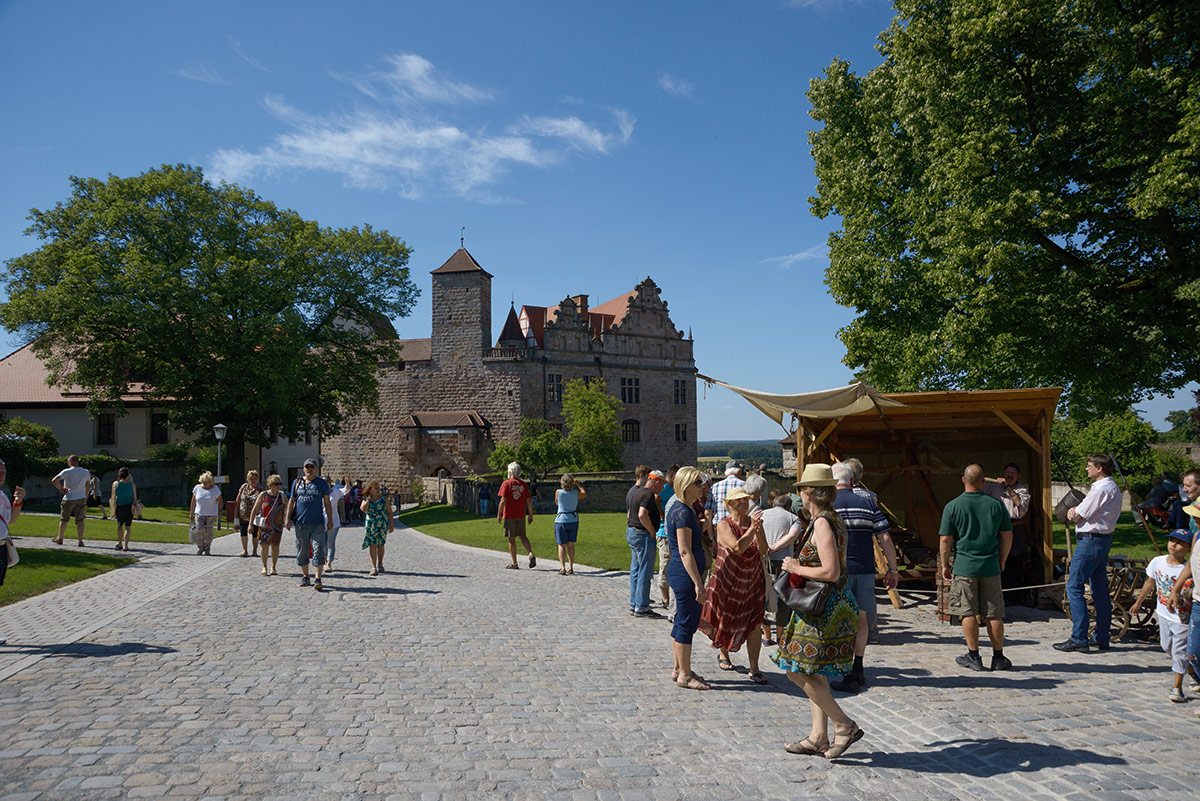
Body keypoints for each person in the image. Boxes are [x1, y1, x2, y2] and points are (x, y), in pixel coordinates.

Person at [771, 463, 863, 759]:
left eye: (800, 490)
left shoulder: (823, 522)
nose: (798, 495)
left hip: (826, 610)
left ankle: (844, 724)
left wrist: (797, 567)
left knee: (796, 671)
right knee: (811, 673)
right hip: (819, 609)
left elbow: (832, 571)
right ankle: (818, 736)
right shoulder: (825, 519)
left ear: (808, 493)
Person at [831, 461, 899, 691]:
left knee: (839, 620)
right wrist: (892, 569)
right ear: (852, 481)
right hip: (865, 570)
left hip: (838, 571)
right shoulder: (868, 504)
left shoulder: (829, 506)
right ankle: (858, 666)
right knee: (861, 619)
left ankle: (844, 668)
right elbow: (886, 538)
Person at [939, 464, 1013, 671]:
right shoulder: (996, 505)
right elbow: (1007, 536)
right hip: (990, 565)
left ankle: (974, 656)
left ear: (964, 480)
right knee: (994, 613)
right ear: (983, 482)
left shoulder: (952, 506)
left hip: (965, 566)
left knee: (967, 611)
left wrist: (945, 564)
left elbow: (945, 539)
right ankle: (998, 656)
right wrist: (1002, 559)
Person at [699, 486, 770, 684]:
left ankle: (754, 667)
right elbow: (737, 547)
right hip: (728, 580)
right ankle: (724, 655)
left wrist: (758, 530)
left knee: (755, 623)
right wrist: (751, 530)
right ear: (729, 505)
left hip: (752, 581)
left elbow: (763, 550)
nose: (744, 504)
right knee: (725, 619)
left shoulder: (753, 524)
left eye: (746, 500)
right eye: (739, 501)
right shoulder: (724, 525)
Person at [1055, 454, 1123, 653]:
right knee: (1100, 591)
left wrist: (1074, 510)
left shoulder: (1100, 489)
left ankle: (1079, 638)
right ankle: (1101, 636)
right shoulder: (1113, 488)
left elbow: (1079, 514)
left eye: (1089, 466)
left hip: (1091, 541)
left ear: (1099, 468)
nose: (1087, 469)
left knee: (1074, 587)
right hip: (1101, 540)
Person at [1132, 529, 1194, 702]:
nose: (1173, 545)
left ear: (1189, 549)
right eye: (1172, 540)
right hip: (1163, 613)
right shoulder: (1157, 562)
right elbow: (1149, 582)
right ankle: (1193, 672)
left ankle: (1177, 688)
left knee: (1179, 651)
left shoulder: (1187, 569)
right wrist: (1138, 602)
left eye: (1180, 543)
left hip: (1181, 617)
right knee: (1167, 646)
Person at [666, 466, 710, 690]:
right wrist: (698, 584)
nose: (702, 487)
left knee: (681, 621)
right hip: (685, 575)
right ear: (685, 486)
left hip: (682, 573)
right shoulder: (682, 512)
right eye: (697, 483)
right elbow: (684, 551)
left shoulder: (684, 509)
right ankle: (684, 674)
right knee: (686, 623)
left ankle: (678, 668)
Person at [983, 463, 1033, 605]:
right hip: (996, 529)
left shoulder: (1022, 490)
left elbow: (1019, 505)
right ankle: (998, 594)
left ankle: (1013, 596)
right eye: (1007, 472)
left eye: (1013, 473)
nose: (1009, 475)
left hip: (1014, 529)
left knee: (1014, 563)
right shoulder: (992, 487)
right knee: (997, 561)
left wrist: (1007, 487)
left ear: (1018, 476)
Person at [761, 493, 803, 645]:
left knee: (764, 596)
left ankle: (766, 636)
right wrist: (775, 547)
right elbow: (793, 536)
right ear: (788, 507)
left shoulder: (761, 514)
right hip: (784, 562)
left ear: (773, 504)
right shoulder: (793, 518)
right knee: (783, 598)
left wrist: (767, 548)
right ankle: (780, 635)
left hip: (762, 560)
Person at [285, 458, 333, 591]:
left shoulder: (321, 483)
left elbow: (327, 503)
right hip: (301, 522)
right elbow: (291, 501)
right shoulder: (297, 482)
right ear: (303, 468)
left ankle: (318, 578)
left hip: (317, 522)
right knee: (302, 550)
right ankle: (305, 576)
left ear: (316, 469)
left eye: (312, 467)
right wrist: (287, 518)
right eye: (307, 467)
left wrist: (330, 520)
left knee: (318, 549)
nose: (309, 469)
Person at [626, 465, 663, 618]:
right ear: (656, 482)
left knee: (635, 570)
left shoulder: (636, 492)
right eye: (662, 484)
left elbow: (629, 514)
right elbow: (642, 514)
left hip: (632, 532)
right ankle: (642, 607)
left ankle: (634, 604)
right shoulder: (648, 495)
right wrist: (652, 530)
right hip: (643, 535)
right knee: (644, 571)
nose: (662, 488)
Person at [0, 457, 26, 646]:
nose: (2, 475)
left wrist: (18, 501)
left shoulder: (2, 495)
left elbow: (11, 520)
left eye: (3, 472)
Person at [497, 462, 536, 569]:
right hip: (521, 515)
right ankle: (530, 553)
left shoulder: (506, 484)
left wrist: (499, 513)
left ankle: (514, 563)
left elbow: (503, 500)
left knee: (511, 539)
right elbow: (529, 501)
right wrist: (531, 515)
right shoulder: (523, 484)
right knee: (523, 536)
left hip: (509, 515)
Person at [249, 474, 287, 575]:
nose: (278, 486)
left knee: (275, 546)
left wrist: (287, 520)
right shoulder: (264, 495)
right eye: (276, 484)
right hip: (265, 525)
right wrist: (250, 524)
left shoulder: (282, 496)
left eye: (279, 484)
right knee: (264, 546)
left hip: (277, 526)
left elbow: (288, 508)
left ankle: (273, 567)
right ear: (270, 485)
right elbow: (255, 509)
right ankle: (264, 566)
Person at [51, 454, 91, 546]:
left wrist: (61, 488)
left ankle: (60, 538)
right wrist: (85, 496)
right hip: (81, 497)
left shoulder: (67, 471)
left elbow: (54, 480)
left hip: (69, 497)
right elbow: (88, 486)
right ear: (77, 462)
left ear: (69, 462)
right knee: (80, 520)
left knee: (64, 519)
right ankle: (80, 540)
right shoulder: (85, 472)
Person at [654, 466, 679, 610]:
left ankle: (671, 597)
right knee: (665, 565)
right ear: (674, 476)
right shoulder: (664, 488)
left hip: (672, 531)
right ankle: (665, 599)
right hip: (664, 532)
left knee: (672, 564)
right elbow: (656, 498)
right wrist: (662, 515)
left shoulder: (672, 488)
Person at [554, 474, 587, 575]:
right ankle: (571, 567)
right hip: (573, 520)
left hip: (561, 520)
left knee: (561, 545)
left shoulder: (558, 492)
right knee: (571, 545)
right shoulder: (575, 493)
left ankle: (563, 567)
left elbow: (557, 503)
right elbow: (584, 494)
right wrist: (578, 484)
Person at [361, 480, 395, 575]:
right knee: (372, 545)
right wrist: (368, 499)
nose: (378, 490)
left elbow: (389, 513)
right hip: (371, 525)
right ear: (370, 490)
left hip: (382, 525)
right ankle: (373, 567)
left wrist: (391, 525)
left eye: (378, 488)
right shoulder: (366, 500)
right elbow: (363, 509)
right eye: (375, 488)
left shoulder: (384, 500)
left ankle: (380, 563)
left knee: (380, 545)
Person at [189, 472, 223, 555]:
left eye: (207, 482)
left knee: (209, 532)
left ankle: (207, 549)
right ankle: (200, 547)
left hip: (211, 514)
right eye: (203, 482)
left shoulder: (215, 489)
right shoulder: (197, 488)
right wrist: (191, 512)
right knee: (199, 530)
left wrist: (220, 511)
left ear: (210, 482)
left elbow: (220, 501)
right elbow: (193, 501)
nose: (205, 484)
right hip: (199, 513)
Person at [705, 461, 746, 526]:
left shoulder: (715, 486)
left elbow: (708, 512)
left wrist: (711, 535)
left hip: (720, 527)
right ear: (739, 472)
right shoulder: (745, 485)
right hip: (741, 527)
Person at [234, 470, 264, 558]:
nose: (253, 480)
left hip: (255, 515)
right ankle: (245, 550)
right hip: (243, 514)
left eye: (254, 478)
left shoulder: (260, 489)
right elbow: (238, 500)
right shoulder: (244, 487)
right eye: (251, 479)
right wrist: (236, 513)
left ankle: (254, 550)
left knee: (255, 533)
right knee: (243, 532)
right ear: (248, 479)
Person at [324, 475, 348, 572]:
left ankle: (329, 563)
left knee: (330, 543)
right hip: (320, 522)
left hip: (333, 521)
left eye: (326, 481)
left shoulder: (336, 492)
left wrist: (347, 482)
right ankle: (325, 561)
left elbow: (346, 490)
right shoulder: (318, 493)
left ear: (330, 483)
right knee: (322, 544)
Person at [110, 467, 137, 551]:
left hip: (119, 506)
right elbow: (135, 498)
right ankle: (126, 545)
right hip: (129, 506)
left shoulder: (115, 484)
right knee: (128, 527)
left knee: (119, 526)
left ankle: (120, 543)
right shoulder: (132, 485)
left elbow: (113, 497)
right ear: (128, 475)